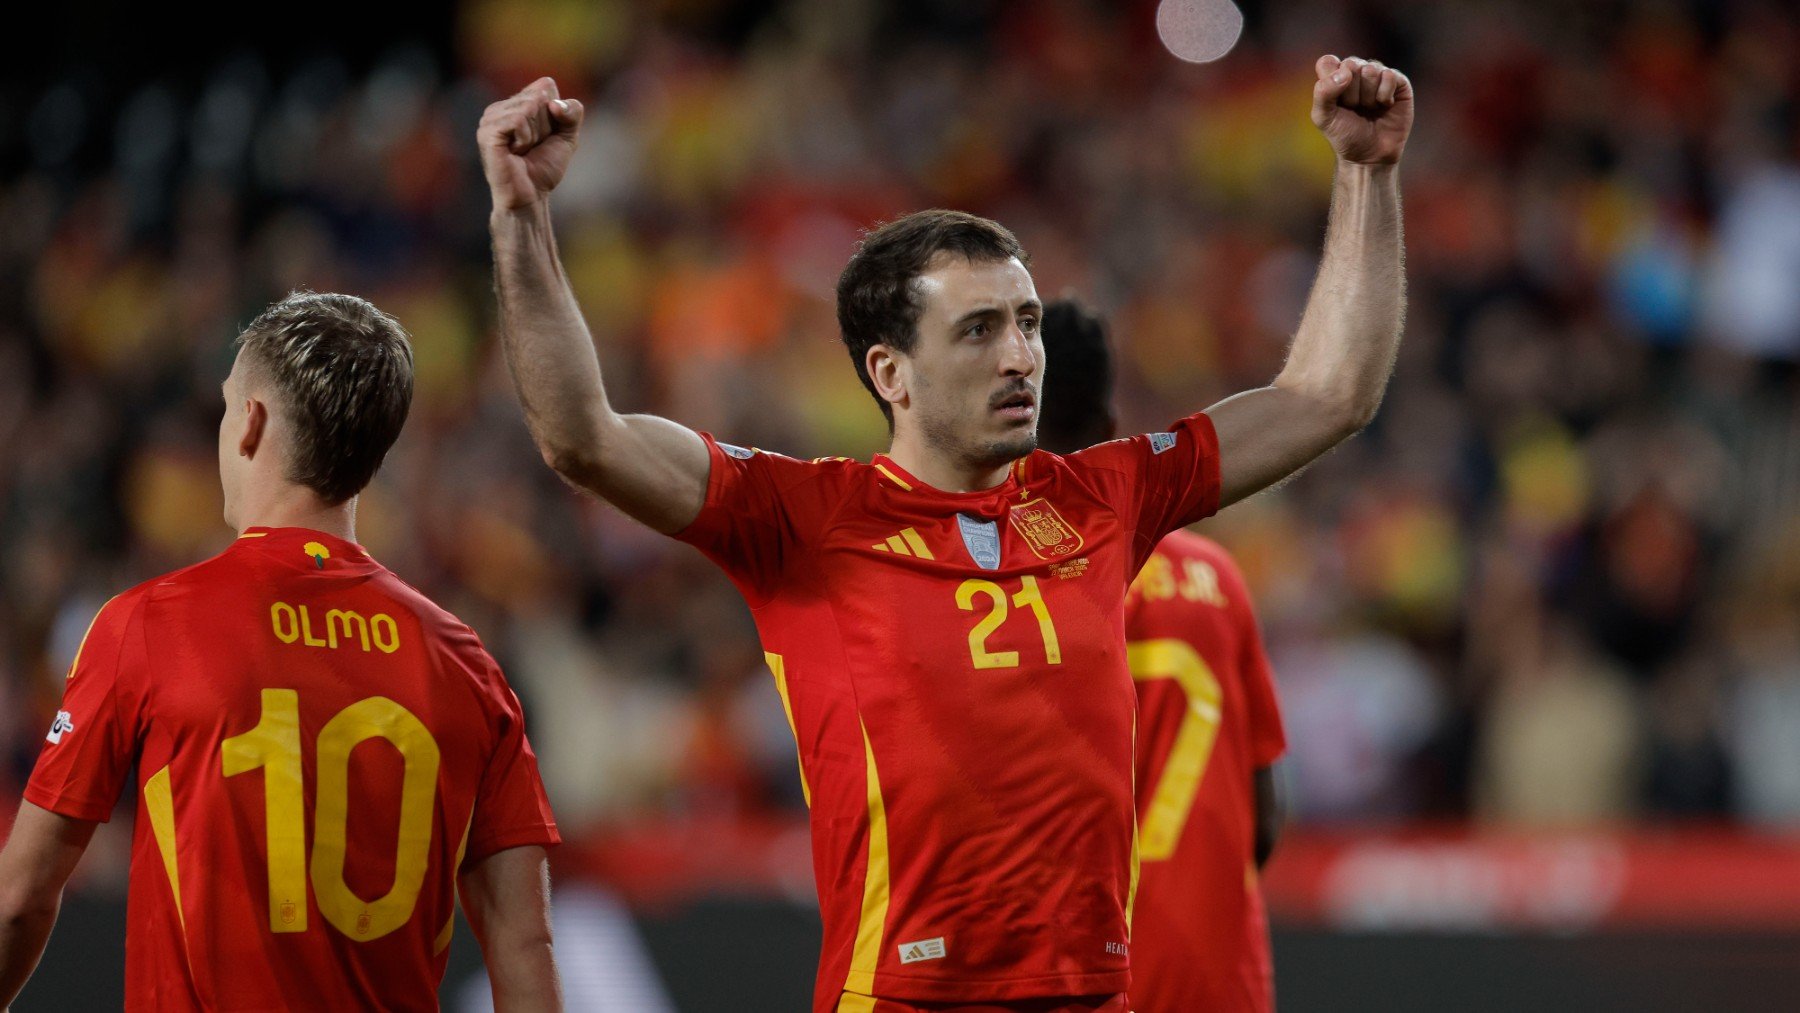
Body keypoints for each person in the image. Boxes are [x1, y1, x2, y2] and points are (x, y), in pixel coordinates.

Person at [480, 51, 1410, 1013]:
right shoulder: (802, 518)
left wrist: (1368, 175)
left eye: (1029, 323)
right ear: (891, 372)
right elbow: (582, 437)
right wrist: (521, 216)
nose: (1020, 357)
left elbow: (1328, 394)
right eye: (978, 330)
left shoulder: (1106, 496)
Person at [0, 293, 564, 1012]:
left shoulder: (148, 624)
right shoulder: (468, 664)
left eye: (229, 404)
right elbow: (525, 941)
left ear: (252, 424)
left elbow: (21, 896)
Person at [1035, 299, 1287, 1013]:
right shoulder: (1216, 577)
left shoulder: (991, 589)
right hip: (1216, 978)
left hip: (1068, 980)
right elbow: (1263, 817)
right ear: (1111, 427)